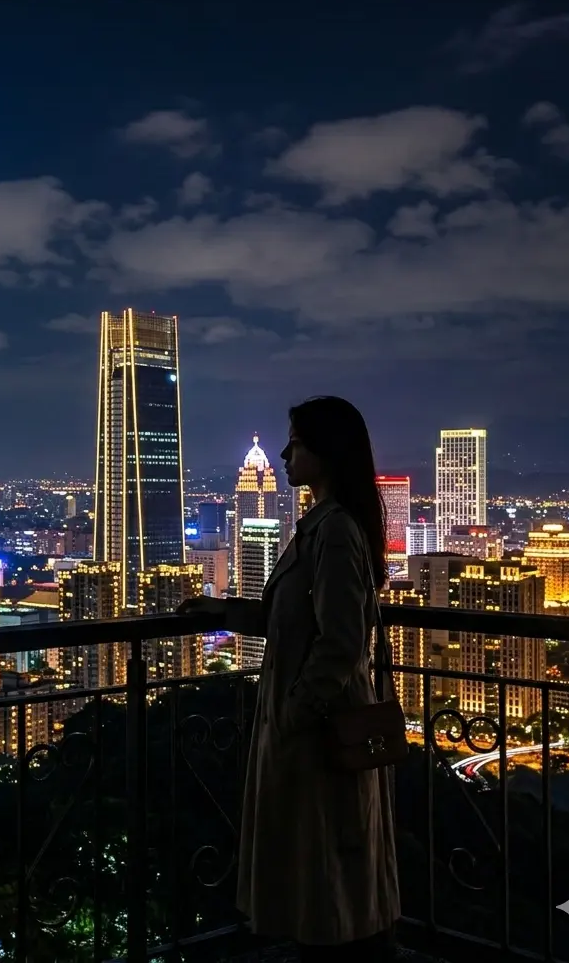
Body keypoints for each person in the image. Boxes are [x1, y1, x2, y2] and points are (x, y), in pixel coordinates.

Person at [179, 396, 401, 962]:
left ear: (326, 453)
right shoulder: (319, 524)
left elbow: (341, 641)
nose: (283, 453)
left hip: (319, 732)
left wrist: (294, 712)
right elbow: (291, 622)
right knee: (315, 870)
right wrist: (220, 610)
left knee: (325, 871)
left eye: (297, 442)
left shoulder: (333, 531)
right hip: (307, 726)